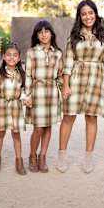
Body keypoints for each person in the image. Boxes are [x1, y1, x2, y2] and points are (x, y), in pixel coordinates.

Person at [56, 0, 104, 173]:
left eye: (90, 13)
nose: (87, 16)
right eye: (84, 14)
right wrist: (65, 85)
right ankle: (62, 156)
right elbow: (67, 61)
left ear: (95, 14)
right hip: (75, 78)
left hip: (96, 78)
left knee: (91, 118)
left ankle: (88, 158)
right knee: (68, 117)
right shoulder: (74, 36)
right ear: (80, 17)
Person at [25, 20, 63, 173]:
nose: (44, 34)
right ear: (37, 35)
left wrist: (64, 90)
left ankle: (43, 156)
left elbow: (60, 75)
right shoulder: (32, 52)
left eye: (47, 31)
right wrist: (26, 95)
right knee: (38, 128)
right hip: (37, 91)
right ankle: (32, 155)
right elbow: (27, 75)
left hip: (52, 92)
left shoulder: (58, 53)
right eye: (40, 32)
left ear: (51, 33)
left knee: (48, 126)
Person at [0, 43, 26, 175]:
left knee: (16, 135)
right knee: (0, 133)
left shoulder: (21, 74)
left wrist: (26, 98)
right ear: (4, 57)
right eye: (9, 55)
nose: (12, 57)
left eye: (15, 55)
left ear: (19, 58)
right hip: (3, 107)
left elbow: (23, 92)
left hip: (16, 107)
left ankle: (19, 161)